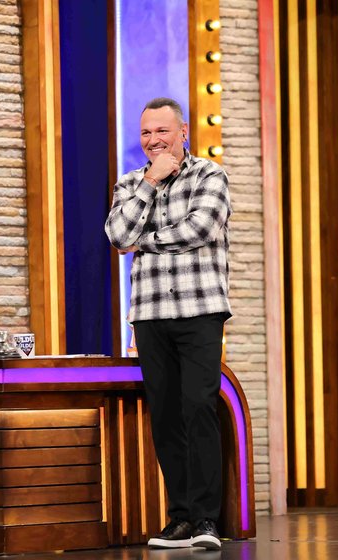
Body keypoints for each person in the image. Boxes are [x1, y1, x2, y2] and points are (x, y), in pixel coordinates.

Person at [104, 97, 232, 551]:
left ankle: (206, 520)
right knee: (166, 417)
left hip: (200, 309)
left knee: (199, 408)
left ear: (183, 132)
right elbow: (117, 236)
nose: (153, 140)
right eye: (146, 133)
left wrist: (145, 241)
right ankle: (180, 518)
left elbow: (201, 228)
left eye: (162, 131)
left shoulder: (209, 175)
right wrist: (150, 184)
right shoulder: (130, 183)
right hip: (151, 314)